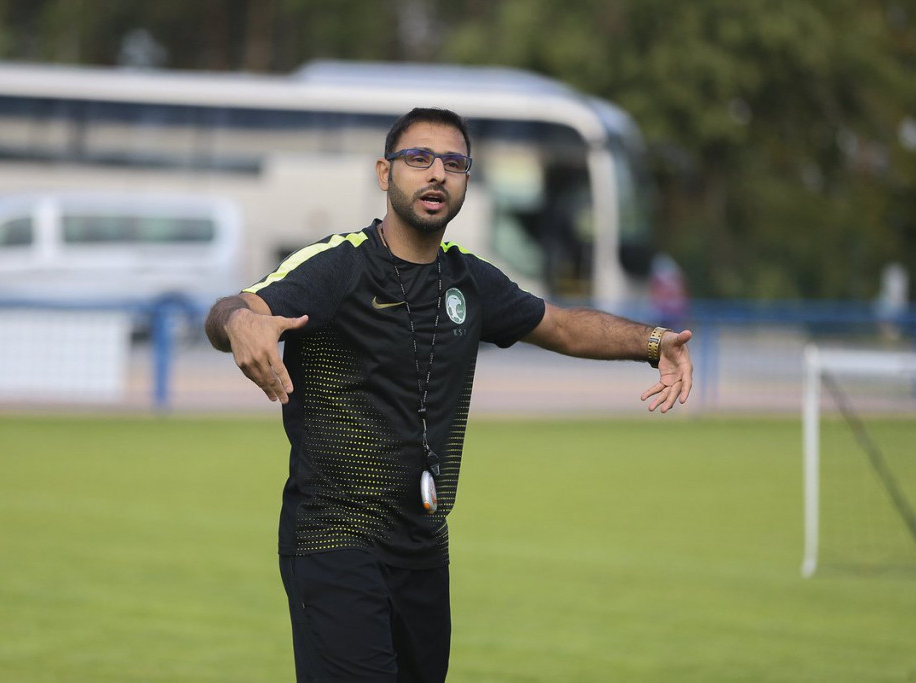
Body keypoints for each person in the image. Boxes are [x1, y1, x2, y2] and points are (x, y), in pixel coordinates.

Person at [205, 107, 693, 682]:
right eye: (419, 158)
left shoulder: (469, 280)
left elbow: (561, 326)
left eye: (454, 163)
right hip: (334, 539)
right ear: (385, 173)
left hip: (423, 546)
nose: (437, 172)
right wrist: (240, 323)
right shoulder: (338, 267)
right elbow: (236, 308)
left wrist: (653, 341)